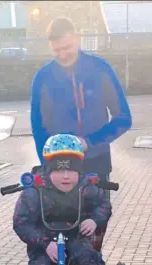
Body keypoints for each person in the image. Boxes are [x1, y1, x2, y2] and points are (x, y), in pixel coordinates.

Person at [30, 17, 132, 250]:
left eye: (67, 48)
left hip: (95, 167)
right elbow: (38, 127)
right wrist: (46, 164)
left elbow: (123, 118)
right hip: (57, 171)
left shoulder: (100, 69)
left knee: (90, 243)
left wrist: (89, 143)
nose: (63, 55)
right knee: (56, 242)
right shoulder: (43, 78)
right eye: (57, 51)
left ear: (76, 38)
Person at [12, 134, 112, 265]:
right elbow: (22, 222)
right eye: (58, 170)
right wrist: (43, 242)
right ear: (48, 171)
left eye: (72, 170)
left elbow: (103, 205)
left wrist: (94, 220)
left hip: (77, 237)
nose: (66, 176)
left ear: (80, 171)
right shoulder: (34, 191)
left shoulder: (87, 187)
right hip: (45, 242)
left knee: (91, 263)